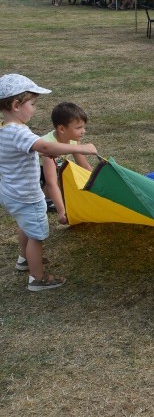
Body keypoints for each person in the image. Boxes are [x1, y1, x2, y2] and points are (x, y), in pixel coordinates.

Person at [0, 74, 98, 291]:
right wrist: (80, 148)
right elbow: (45, 147)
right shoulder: (18, 132)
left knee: (25, 226)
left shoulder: (4, 128)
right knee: (37, 235)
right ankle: (37, 278)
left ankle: (24, 260)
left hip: (10, 192)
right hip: (27, 195)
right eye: (32, 104)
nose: (34, 109)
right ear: (16, 105)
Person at [40, 102, 93, 225]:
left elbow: (84, 166)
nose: (83, 131)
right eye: (78, 128)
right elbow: (51, 182)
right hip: (37, 176)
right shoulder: (47, 145)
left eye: (83, 127)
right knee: (62, 175)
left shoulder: (73, 140)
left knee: (71, 174)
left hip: (55, 171)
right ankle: (47, 200)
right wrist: (62, 211)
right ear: (62, 129)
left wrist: (97, 187)